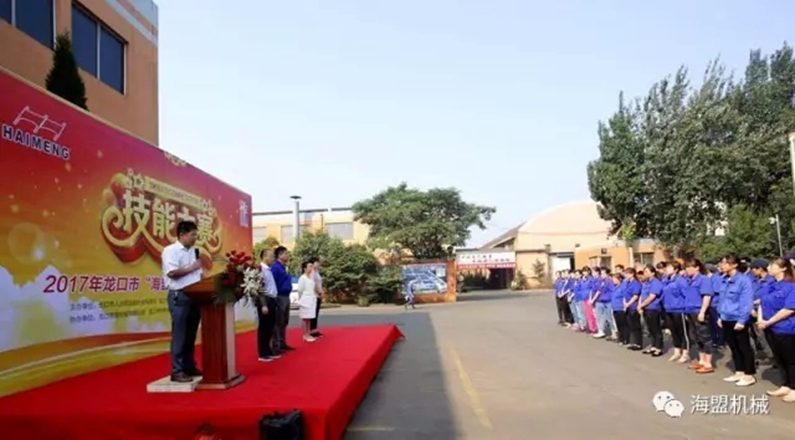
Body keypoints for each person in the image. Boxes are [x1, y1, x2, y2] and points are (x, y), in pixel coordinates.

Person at [162, 221, 203, 383]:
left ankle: (189, 366)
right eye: (192, 234)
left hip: (195, 296)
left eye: (196, 234)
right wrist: (192, 268)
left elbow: (197, 273)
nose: (195, 237)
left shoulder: (193, 251)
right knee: (179, 334)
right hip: (179, 296)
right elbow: (172, 273)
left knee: (191, 334)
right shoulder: (170, 251)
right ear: (182, 235)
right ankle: (177, 370)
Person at [757, 257, 795, 402]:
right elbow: (762, 302)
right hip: (770, 328)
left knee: (791, 360)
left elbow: (789, 309)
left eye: (773, 265)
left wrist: (769, 322)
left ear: (783, 268)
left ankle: (794, 388)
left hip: (786, 328)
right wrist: (760, 319)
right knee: (779, 358)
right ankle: (785, 384)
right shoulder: (769, 284)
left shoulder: (791, 286)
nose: (769, 268)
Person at [718, 254, 756, 387]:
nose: (722, 265)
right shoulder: (724, 279)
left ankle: (749, 374)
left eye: (725, 263)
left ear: (734, 265)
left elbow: (746, 301)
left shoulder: (743, 280)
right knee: (733, 347)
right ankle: (739, 371)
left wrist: (742, 320)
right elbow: (722, 300)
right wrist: (720, 316)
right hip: (726, 317)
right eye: (722, 263)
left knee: (744, 346)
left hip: (737, 317)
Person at [683, 258, 715, 373]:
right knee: (695, 336)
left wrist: (702, 311)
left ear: (697, 268)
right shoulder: (689, 280)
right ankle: (701, 360)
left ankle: (708, 363)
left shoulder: (703, 279)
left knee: (704, 336)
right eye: (686, 267)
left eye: (690, 267)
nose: (687, 269)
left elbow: (707, 296)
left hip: (699, 310)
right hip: (690, 311)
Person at [662, 261, 689, 363]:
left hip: (679, 309)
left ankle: (685, 353)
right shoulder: (666, 280)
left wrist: (685, 310)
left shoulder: (680, 281)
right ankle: (677, 351)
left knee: (683, 332)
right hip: (669, 309)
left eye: (669, 267)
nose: (667, 269)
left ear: (676, 270)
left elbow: (686, 295)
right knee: (674, 332)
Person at [256, 249, 280, 362]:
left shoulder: (268, 270)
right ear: (265, 256)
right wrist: (263, 305)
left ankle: (268, 350)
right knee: (264, 327)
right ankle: (263, 353)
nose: (273, 259)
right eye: (271, 256)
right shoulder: (260, 270)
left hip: (272, 299)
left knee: (270, 327)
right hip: (265, 300)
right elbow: (259, 288)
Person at [271, 246, 295, 353]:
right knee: (278, 322)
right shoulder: (275, 268)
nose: (287, 256)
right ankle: (276, 345)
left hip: (286, 296)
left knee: (284, 321)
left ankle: (282, 342)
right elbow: (272, 283)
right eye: (285, 253)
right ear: (279, 255)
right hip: (279, 296)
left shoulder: (284, 267)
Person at [638, 264, 664, 357]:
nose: (644, 273)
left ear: (652, 273)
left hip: (653, 308)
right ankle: (653, 346)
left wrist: (642, 305)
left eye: (646, 272)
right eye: (644, 272)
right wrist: (640, 305)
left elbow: (652, 297)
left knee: (656, 329)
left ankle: (658, 348)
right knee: (650, 329)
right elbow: (642, 295)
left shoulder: (656, 283)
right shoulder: (646, 283)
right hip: (646, 308)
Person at [296, 261, 318, 342]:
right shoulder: (302, 278)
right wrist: (301, 299)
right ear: (305, 268)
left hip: (311, 300)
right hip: (305, 300)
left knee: (309, 318)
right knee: (305, 319)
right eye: (309, 266)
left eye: (312, 266)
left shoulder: (311, 278)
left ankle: (308, 333)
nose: (311, 268)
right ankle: (305, 335)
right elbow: (300, 290)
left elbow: (313, 288)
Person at [591, 267, 615, 339]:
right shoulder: (601, 281)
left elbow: (612, 292)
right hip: (600, 301)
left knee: (610, 317)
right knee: (599, 316)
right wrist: (593, 299)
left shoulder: (610, 282)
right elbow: (598, 290)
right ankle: (601, 331)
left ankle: (614, 332)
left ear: (607, 274)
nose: (602, 275)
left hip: (608, 301)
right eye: (601, 274)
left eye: (603, 274)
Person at [623, 268, 643, 350]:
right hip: (627, 306)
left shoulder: (636, 284)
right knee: (630, 326)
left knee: (636, 326)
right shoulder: (627, 283)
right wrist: (625, 303)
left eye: (627, 274)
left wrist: (628, 304)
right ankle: (633, 342)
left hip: (633, 306)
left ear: (632, 274)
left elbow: (635, 296)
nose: (626, 275)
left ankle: (638, 343)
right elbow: (624, 294)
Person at [308, 258, 324, 337]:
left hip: (318, 294)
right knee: (313, 313)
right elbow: (313, 284)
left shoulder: (316, 272)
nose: (318, 264)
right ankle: (311, 330)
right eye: (316, 263)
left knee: (316, 313)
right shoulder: (312, 272)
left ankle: (314, 329)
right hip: (314, 295)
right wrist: (319, 292)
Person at [610, 272, 627, 344]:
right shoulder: (614, 287)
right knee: (618, 324)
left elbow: (624, 297)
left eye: (614, 279)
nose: (613, 281)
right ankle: (621, 338)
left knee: (623, 325)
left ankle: (625, 339)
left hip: (620, 308)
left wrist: (625, 306)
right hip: (615, 308)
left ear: (619, 279)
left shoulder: (623, 287)